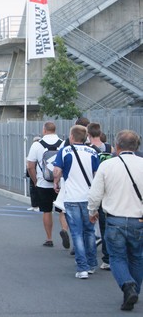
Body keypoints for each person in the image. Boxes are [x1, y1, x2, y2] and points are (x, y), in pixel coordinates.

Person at [88, 130, 143, 311]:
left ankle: (127, 286)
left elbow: (96, 193)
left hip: (115, 219)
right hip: (139, 220)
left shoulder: (107, 165)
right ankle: (134, 288)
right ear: (137, 146)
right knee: (137, 257)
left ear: (117, 146)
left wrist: (92, 210)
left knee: (117, 257)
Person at [53, 125, 99, 279]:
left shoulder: (65, 151)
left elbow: (57, 171)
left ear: (72, 137)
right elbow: (96, 174)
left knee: (77, 233)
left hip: (72, 197)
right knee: (90, 231)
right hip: (88, 197)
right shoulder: (92, 152)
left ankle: (82, 267)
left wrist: (56, 182)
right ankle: (92, 263)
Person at [27, 121, 70, 248]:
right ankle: (64, 230)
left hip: (43, 182)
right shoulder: (63, 143)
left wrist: (35, 180)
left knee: (46, 211)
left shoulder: (37, 145)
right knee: (62, 210)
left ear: (44, 130)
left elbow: (30, 166)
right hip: (60, 183)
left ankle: (49, 238)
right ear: (55, 130)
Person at [87, 122, 114, 271]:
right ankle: (108, 257)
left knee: (91, 224)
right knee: (107, 223)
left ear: (88, 134)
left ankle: (90, 255)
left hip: (93, 187)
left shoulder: (88, 150)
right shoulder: (110, 148)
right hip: (109, 189)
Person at [27, 136, 41, 212]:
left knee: (37, 189)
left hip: (37, 171)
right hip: (33, 171)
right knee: (32, 188)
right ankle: (34, 205)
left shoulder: (39, 149)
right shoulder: (34, 149)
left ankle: (37, 205)